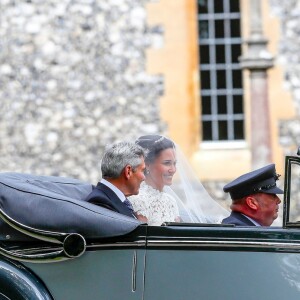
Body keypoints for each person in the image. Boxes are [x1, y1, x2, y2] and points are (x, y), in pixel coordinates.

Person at [129, 135, 229, 225]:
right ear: (147, 165)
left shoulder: (170, 201)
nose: (173, 170)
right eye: (167, 163)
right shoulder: (138, 200)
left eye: (174, 163)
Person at [85, 141, 146, 218]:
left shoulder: (113, 198)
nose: (144, 178)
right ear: (128, 171)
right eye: (142, 170)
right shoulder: (101, 203)